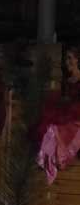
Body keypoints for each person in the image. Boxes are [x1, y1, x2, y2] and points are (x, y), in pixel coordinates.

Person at [35, 44, 80, 183]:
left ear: (78, 59)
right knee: (50, 125)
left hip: (76, 114)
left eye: (70, 58)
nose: (67, 62)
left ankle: (58, 158)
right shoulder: (67, 81)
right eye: (66, 58)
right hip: (68, 113)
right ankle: (51, 159)